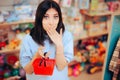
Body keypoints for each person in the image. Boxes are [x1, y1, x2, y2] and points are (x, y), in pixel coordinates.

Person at [19, 0, 73, 80]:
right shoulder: (28, 39)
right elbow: (28, 71)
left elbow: (61, 67)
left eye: (55, 17)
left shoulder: (66, 36)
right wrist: (37, 57)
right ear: (39, 18)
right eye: (46, 17)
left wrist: (59, 45)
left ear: (60, 18)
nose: (51, 22)